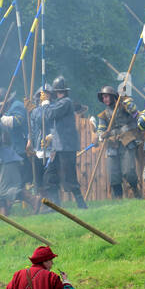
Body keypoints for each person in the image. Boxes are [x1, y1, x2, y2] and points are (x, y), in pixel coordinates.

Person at [42, 76, 86, 209]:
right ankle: (55, 206)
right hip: (58, 147)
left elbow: (50, 114)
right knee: (50, 176)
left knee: (70, 178)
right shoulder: (59, 103)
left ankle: (82, 205)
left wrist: (45, 103)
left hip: (66, 147)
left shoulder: (66, 102)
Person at [94, 85, 142, 199]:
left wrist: (125, 100)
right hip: (112, 145)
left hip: (127, 142)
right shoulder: (103, 115)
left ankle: (135, 190)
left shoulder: (124, 106)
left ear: (113, 96)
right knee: (113, 175)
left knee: (129, 171)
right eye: (103, 97)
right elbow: (100, 130)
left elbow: (135, 112)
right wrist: (102, 134)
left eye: (107, 96)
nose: (105, 99)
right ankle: (118, 199)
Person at [27, 86, 49, 204]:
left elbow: (45, 121)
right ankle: (41, 202)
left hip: (50, 148)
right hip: (37, 149)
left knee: (48, 179)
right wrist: (29, 141)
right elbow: (32, 128)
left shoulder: (51, 109)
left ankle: (50, 202)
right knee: (38, 179)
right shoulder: (35, 111)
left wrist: (35, 111)